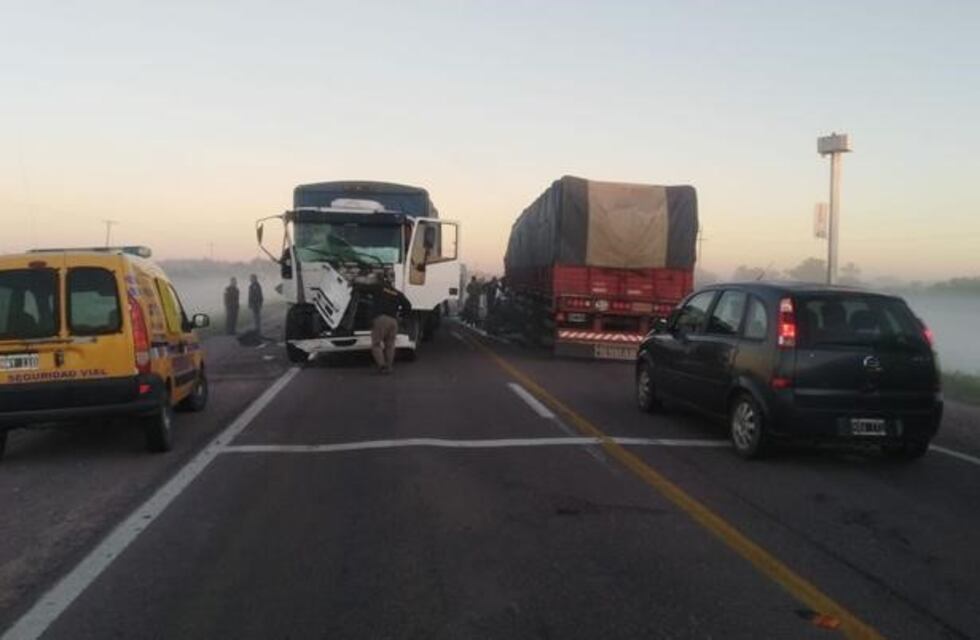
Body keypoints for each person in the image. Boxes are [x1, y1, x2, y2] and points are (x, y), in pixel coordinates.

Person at [370, 276, 412, 374]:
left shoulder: (378, 287)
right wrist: (402, 315)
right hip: (393, 321)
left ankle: (382, 366)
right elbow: (408, 305)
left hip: (381, 319)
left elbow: (362, 288)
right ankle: (389, 366)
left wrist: (353, 283)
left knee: (376, 344)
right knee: (390, 345)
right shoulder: (397, 293)